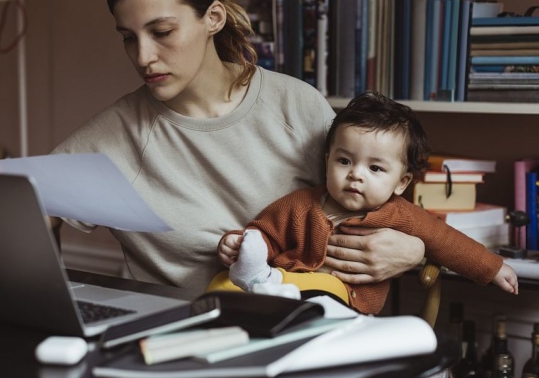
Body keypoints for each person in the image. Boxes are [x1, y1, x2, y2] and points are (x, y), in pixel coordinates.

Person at [0, 0, 426, 294]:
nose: (144, 56)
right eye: (128, 37)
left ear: (213, 17)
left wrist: (414, 250)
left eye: (162, 31)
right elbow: (27, 218)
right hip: (176, 343)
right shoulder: (117, 133)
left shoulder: (296, 105)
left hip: (307, 332)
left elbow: (371, 203)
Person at [213, 92, 518, 314]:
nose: (355, 175)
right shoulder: (300, 204)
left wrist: (492, 268)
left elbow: (447, 241)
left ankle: (272, 296)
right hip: (282, 285)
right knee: (220, 284)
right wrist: (240, 245)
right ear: (327, 161)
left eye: (375, 168)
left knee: (324, 290)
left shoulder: (402, 215)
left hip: (346, 300)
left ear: (401, 182)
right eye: (344, 161)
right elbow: (264, 233)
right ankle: (255, 292)